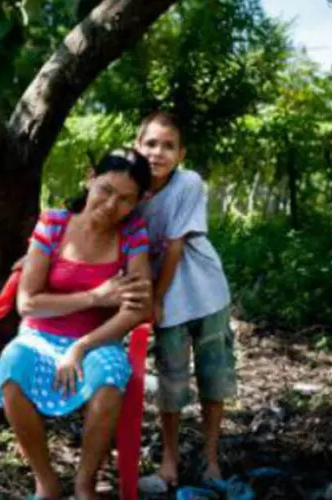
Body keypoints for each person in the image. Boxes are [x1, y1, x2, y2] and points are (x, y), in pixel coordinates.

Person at [0, 147, 153, 500]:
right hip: (39, 335)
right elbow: (28, 302)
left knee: (108, 381)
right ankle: (46, 482)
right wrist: (96, 296)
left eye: (125, 199)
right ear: (90, 178)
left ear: (138, 202)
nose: (111, 205)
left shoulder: (133, 234)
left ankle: (84, 485)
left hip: (98, 340)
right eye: (106, 190)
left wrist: (81, 346)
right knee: (11, 371)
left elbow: (138, 308)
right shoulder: (54, 223)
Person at [134, 111, 237, 492]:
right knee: (171, 380)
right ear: (136, 146)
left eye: (168, 146)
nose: (158, 152)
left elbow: (174, 245)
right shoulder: (130, 192)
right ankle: (170, 459)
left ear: (181, 154)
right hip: (169, 307)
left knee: (214, 377)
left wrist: (155, 299)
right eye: (150, 143)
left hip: (205, 293)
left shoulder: (188, 183)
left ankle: (210, 458)